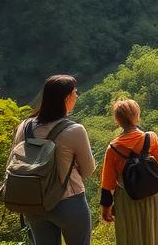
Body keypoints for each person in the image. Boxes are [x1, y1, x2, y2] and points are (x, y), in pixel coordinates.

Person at [11, 75, 96, 245]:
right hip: (69, 202)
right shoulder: (74, 130)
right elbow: (88, 170)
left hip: (34, 202)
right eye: (75, 93)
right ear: (66, 98)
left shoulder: (24, 127)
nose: (77, 96)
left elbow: (14, 162)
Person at [99, 99, 158, 245]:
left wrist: (106, 209)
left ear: (117, 120)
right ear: (137, 115)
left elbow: (108, 183)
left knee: (131, 234)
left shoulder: (113, 148)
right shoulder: (151, 138)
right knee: (153, 232)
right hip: (152, 194)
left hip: (127, 197)